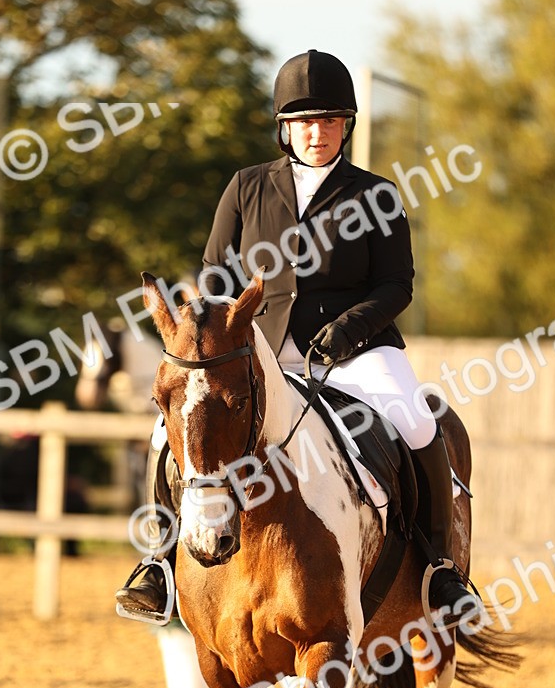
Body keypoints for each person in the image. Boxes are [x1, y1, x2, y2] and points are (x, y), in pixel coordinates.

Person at [116, 49, 477, 626]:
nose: (318, 132)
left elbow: (396, 285)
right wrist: (224, 336)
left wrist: (350, 327)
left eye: (330, 121)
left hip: (357, 350)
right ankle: (159, 562)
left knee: (416, 420)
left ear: (345, 127)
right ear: (286, 128)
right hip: (257, 348)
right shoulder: (246, 187)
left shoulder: (376, 195)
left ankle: (439, 571)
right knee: (165, 431)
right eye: (306, 122)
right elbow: (214, 276)